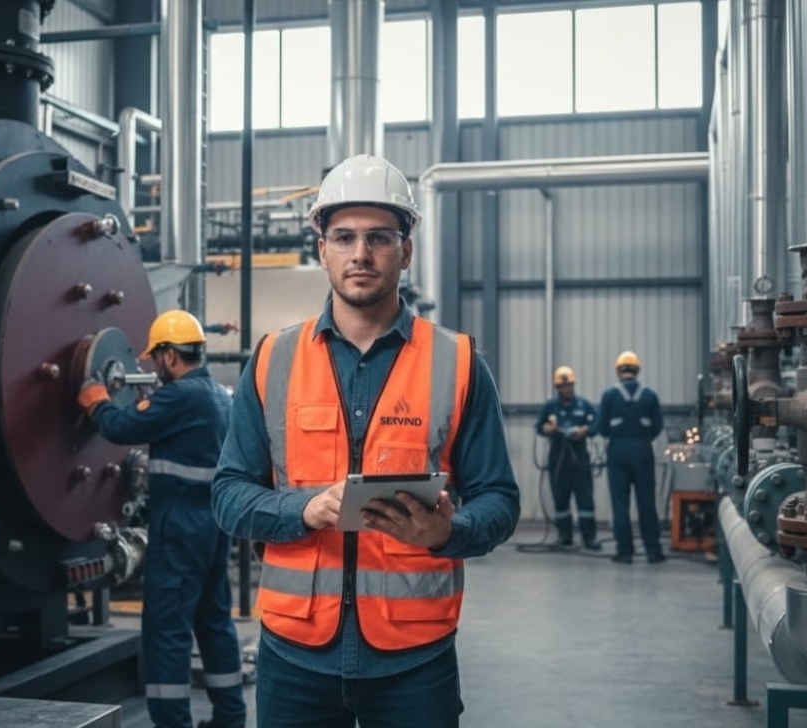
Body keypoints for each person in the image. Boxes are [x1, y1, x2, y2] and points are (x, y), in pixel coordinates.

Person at [210, 154, 521, 728]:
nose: (360, 254)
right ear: (321, 247)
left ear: (406, 248)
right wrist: (304, 507)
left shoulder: (457, 363)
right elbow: (228, 495)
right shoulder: (272, 359)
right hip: (293, 654)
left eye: (379, 237)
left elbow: (500, 499)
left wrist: (449, 531)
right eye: (344, 237)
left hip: (414, 661)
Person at [78, 310, 246, 728]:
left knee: (167, 631)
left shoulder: (180, 396)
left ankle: (172, 722)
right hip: (214, 526)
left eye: (156, 358)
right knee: (214, 622)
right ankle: (231, 717)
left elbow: (120, 426)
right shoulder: (219, 396)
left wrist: (96, 400)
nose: (154, 366)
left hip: (180, 527)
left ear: (171, 356)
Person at [596, 350, 666, 565]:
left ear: (619, 371)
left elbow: (601, 427)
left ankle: (625, 552)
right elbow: (658, 427)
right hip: (643, 451)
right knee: (647, 502)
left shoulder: (609, 395)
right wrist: (641, 438)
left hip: (618, 451)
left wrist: (618, 437)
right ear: (637, 370)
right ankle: (653, 551)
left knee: (620, 504)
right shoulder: (650, 395)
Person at [533, 365, 600, 550]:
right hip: (559, 457)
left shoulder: (584, 405)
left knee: (585, 498)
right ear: (558, 388)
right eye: (564, 386)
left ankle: (589, 537)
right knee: (560, 498)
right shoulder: (550, 407)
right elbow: (539, 427)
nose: (568, 389)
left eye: (570, 385)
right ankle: (565, 535)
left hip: (580, 458)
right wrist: (549, 428)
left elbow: (596, 424)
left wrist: (585, 430)